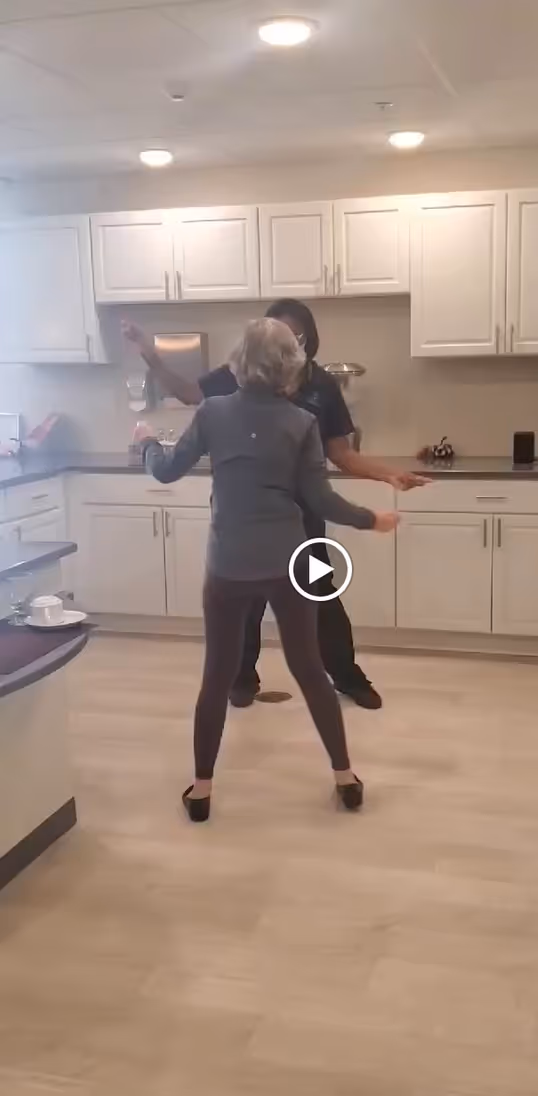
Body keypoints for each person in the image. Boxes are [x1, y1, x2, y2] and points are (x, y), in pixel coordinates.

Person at [135, 318, 398, 823]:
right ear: (291, 368)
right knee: (309, 669)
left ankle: (202, 789)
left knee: (217, 675)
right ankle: (345, 777)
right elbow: (320, 499)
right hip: (287, 562)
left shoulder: (213, 413)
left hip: (229, 564)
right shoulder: (301, 422)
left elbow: (166, 469)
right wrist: (373, 519)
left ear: (240, 360)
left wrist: (148, 442)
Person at [124, 300, 425, 711]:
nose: (283, 344)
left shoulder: (321, 386)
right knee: (246, 604)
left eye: (294, 335)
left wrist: (387, 474)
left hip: (303, 526)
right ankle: (242, 679)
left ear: (306, 342)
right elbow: (187, 392)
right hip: (242, 524)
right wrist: (149, 353)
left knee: (320, 594)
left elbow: (343, 454)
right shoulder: (236, 379)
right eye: (276, 332)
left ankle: (348, 677)